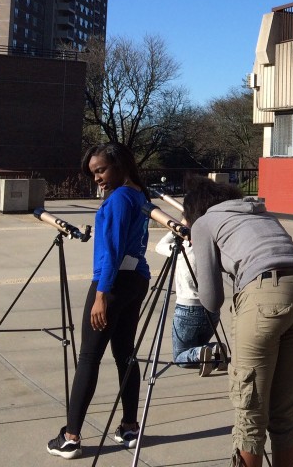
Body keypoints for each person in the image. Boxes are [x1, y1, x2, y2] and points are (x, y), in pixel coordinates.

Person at [185, 177, 293, 467]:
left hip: (264, 299)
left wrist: (201, 250)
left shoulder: (204, 224)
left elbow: (211, 300)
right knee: (285, 412)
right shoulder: (259, 213)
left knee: (250, 414)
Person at [47, 143, 151, 459]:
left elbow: (114, 249)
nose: (97, 179)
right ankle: (130, 426)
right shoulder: (140, 195)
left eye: (101, 170)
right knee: (125, 354)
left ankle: (71, 436)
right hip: (136, 278)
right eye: (94, 174)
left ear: (119, 165)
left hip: (113, 282)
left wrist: (101, 295)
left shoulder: (119, 198)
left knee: (89, 357)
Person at [153, 229, 227, 375]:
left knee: (180, 357)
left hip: (187, 308)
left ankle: (200, 354)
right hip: (212, 308)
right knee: (197, 343)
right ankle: (215, 349)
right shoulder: (213, 247)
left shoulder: (182, 248)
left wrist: (176, 229)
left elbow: (159, 246)